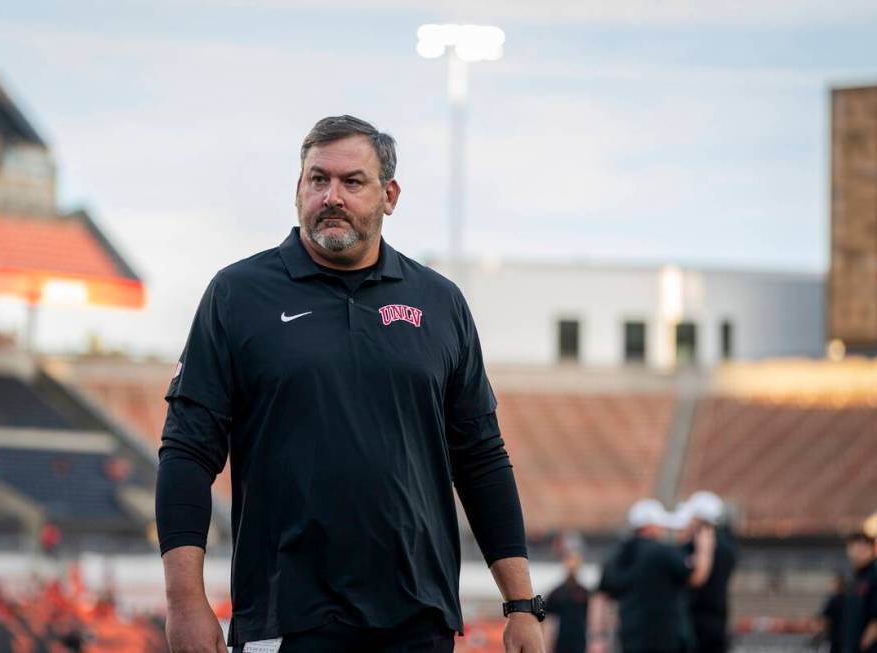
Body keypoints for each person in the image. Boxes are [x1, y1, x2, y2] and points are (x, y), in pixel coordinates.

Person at [156, 115, 545, 653]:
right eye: (318, 179)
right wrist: (184, 603)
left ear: (389, 195)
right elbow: (186, 454)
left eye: (352, 182)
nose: (332, 196)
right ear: (298, 190)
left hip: (417, 621)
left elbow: (480, 458)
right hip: (286, 620)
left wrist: (521, 606)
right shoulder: (237, 296)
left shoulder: (440, 303)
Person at [592, 498, 715, 653]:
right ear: (650, 526)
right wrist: (705, 547)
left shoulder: (617, 556)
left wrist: (597, 638)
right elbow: (697, 577)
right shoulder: (661, 552)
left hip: (630, 639)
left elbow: (600, 597)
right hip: (663, 640)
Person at [680, 491, 738, 653]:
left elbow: (694, 579)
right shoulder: (728, 545)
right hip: (717, 621)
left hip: (696, 624)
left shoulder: (697, 545)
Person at [544, 542, 589, 653]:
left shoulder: (585, 593)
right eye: (569, 562)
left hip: (580, 644)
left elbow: (590, 620)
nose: (572, 566)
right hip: (560, 644)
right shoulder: (556, 593)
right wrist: (547, 643)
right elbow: (548, 621)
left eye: (575, 562)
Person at [842, 532, 877, 653]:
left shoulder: (873, 575)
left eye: (863, 547)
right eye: (854, 547)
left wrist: (862, 646)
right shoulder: (855, 578)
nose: (858, 552)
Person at [818, 573, 845, 653]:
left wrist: (822, 632)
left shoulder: (833, 600)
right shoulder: (850, 599)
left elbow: (825, 619)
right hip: (847, 638)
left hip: (835, 637)